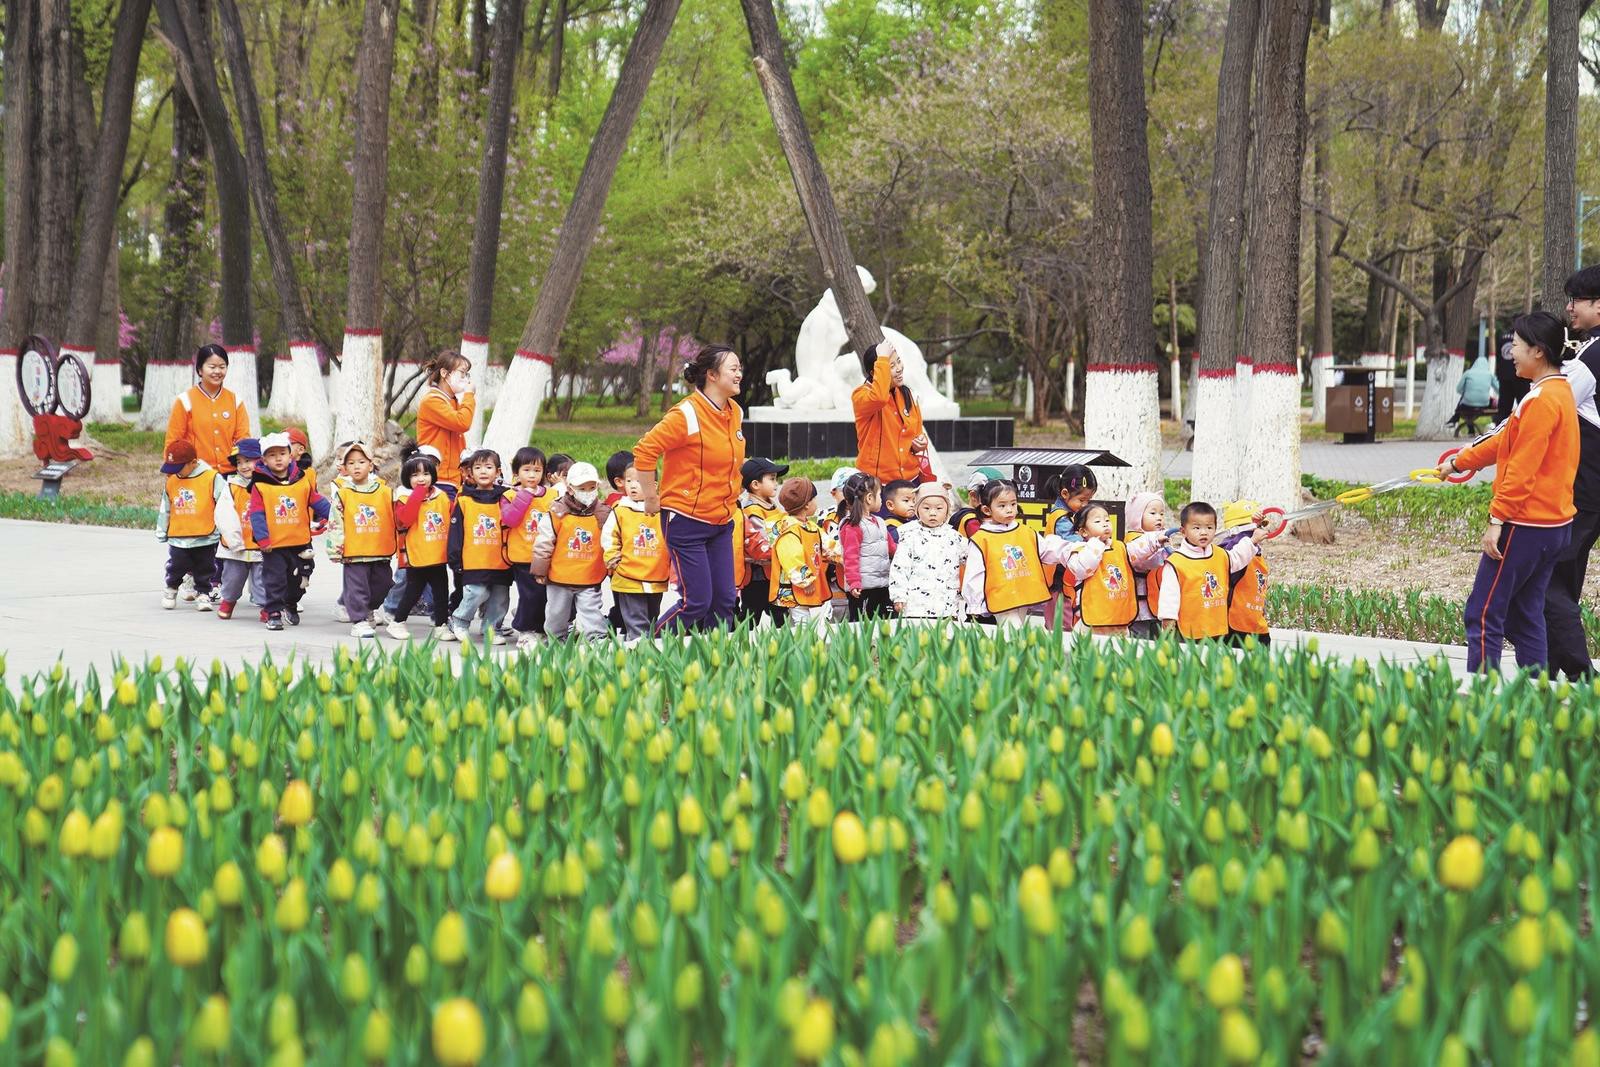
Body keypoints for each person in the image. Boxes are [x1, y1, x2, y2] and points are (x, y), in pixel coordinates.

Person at [1438, 311, 1580, 673]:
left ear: (1538, 351)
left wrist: (1497, 519)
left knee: (1483, 613)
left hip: (1524, 525)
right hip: (1554, 526)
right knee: (1524, 613)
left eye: (1516, 345)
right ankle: (1533, 697)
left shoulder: (1540, 402)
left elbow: (1521, 468)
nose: (1511, 352)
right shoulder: (1558, 393)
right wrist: (1460, 462)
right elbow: (1506, 440)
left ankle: (1483, 700)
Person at [633, 344, 747, 633]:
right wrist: (651, 497)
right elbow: (645, 451)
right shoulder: (686, 414)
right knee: (695, 602)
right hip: (687, 522)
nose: (739, 374)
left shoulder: (735, 412)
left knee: (724, 602)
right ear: (711, 374)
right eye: (733, 369)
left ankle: (712, 665)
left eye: (739, 368)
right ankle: (648, 652)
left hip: (721, 522)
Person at [1544, 267, 1600, 678]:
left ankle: (1579, 670)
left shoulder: (1590, 359)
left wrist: (1468, 456)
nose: (1569, 307)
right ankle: (1550, 663)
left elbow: (1544, 410)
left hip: (1586, 489)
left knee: (1549, 578)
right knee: (1564, 576)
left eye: (1577, 299)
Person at [448, 449, 535, 646]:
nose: (483, 471)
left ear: (498, 472)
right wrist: (455, 559)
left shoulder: (505, 497)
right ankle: (459, 621)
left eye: (488, 467)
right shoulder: (464, 500)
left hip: (500, 559)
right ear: (470, 472)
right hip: (474, 559)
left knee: (500, 597)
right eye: (478, 467)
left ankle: (491, 627)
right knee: (475, 592)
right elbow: (456, 532)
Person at [247, 432, 330, 630]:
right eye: (272, 454)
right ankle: (273, 612)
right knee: (274, 579)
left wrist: (335, 515)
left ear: (290, 455)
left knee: (301, 578)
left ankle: (290, 603)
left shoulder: (301, 480)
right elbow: (257, 515)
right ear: (264, 459)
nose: (278, 458)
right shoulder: (260, 486)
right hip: (274, 545)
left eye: (282, 453)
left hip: (300, 542)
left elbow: (316, 500)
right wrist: (263, 539)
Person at [961, 480, 1071, 626]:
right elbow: (975, 574)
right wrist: (975, 603)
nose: (1009, 509)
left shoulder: (1025, 531)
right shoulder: (981, 539)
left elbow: (1046, 549)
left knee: (1016, 629)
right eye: (1002, 505)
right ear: (987, 510)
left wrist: (1072, 551)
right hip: (1001, 597)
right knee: (1012, 629)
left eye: (1013, 504)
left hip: (1022, 593)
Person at [1157, 502, 1269, 640]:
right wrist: (1168, 625)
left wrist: (1253, 540)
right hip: (1189, 632)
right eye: (1196, 528)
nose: (1204, 532)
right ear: (1183, 531)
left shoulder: (1221, 555)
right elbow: (1169, 598)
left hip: (1218, 630)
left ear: (1215, 529)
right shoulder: (1176, 562)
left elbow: (1239, 556)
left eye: (1209, 527)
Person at [531, 461, 611, 641]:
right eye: (582, 487)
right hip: (559, 577)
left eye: (592, 487)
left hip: (589, 576)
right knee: (556, 613)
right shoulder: (557, 511)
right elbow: (544, 541)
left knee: (591, 612)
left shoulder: (603, 514)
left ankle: (597, 640)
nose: (588, 491)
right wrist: (540, 569)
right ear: (570, 488)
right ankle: (555, 640)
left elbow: (611, 541)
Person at [326, 441, 397, 639]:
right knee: (357, 588)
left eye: (361, 461)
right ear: (345, 468)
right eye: (351, 463)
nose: (356, 466)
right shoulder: (343, 494)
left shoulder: (385, 491)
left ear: (371, 464)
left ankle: (368, 609)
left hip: (380, 550)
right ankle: (358, 621)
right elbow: (335, 522)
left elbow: (394, 518)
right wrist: (335, 548)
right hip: (354, 552)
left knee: (384, 584)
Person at [157, 440, 238, 610]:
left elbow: (224, 505)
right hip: (179, 536)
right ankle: (171, 588)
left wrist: (227, 531)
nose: (174, 472)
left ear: (193, 463)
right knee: (177, 565)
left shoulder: (211, 478)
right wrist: (162, 530)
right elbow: (166, 508)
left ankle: (203, 594)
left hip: (206, 536)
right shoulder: (172, 481)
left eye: (178, 468)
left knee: (206, 567)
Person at [387, 449, 454, 641]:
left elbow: (451, 518)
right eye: (415, 475)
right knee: (412, 593)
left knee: (442, 592)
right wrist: (418, 494)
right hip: (417, 555)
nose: (421, 478)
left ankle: (440, 625)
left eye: (426, 473)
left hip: (438, 555)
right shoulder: (403, 497)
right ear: (407, 478)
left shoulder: (441, 496)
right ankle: (397, 622)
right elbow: (404, 520)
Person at [602, 462, 671, 641]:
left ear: (653, 486)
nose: (633, 485)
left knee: (652, 617)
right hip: (628, 575)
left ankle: (640, 647)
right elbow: (609, 536)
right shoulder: (620, 510)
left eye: (640, 481)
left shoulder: (662, 511)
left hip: (656, 574)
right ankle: (637, 649)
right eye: (629, 480)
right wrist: (611, 556)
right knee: (637, 622)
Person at [164, 343, 250, 474]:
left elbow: (243, 439)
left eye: (222, 367)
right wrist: (172, 476)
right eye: (212, 367)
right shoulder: (184, 401)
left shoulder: (235, 401)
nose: (217, 371)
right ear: (200, 370)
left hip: (230, 474)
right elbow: (173, 442)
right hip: (196, 473)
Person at [852, 340, 928, 485]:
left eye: (899, 361)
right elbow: (879, 397)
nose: (899, 368)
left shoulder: (907, 394)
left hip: (911, 479)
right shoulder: (861, 396)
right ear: (875, 372)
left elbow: (916, 432)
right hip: (878, 484)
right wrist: (882, 359)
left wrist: (920, 443)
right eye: (891, 366)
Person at [889, 483, 965, 620]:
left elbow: (973, 558)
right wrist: (898, 595)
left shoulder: (954, 536)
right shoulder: (909, 535)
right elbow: (899, 568)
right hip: (916, 606)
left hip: (947, 604)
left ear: (947, 510)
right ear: (917, 510)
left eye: (939, 508)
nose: (933, 513)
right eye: (926, 508)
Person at [769, 477, 834, 629]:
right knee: (801, 623)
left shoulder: (809, 526)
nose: (816, 502)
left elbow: (828, 544)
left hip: (805, 584)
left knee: (806, 621)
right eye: (814, 499)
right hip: (794, 588)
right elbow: (791, 558)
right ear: (806, 505)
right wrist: (805, 580)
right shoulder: (789, 531)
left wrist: (842, 555)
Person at [1063, 504, 1137, 637]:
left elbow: (1139, 550)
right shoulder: (1079, 550)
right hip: (1091, 623)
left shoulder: (1119, 547)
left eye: (1107, 520)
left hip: (1118, 620)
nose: (1104, 524)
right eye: (1097, 521)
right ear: (1083, 532)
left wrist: (1155, 541)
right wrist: (1096, 545)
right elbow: (1083, 569)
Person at [505, 446, 553, 644]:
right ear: (516, 473)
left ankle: (540, 627)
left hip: (545, 555)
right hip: (523, 556)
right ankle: (525, 630)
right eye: (526, 470)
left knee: (543, 594)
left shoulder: (550, 496)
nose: (532, 475)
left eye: (537, 470)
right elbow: (510, 520)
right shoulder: (509, 495)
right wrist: (525, 495)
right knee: (529, 594)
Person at [216, 438, 266, 620]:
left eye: (248, 460)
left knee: (263, 579)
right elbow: (224, 514)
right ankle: (228, 601)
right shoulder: (232, 486)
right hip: (236, 544)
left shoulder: (267, 485)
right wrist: (234, 539)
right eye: (239, 462)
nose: (244, 466)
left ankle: (267, 607)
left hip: (261, 543)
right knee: (232, 577)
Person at [736, 458, 790, 627]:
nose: (776, 483)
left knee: (781, 617)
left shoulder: (772, 506)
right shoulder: (752, 511)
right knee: (750, 619)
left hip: (773, 573)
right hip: (757, 577)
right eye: (772, 478)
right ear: (755, 484)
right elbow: (760, 544)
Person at [838, 473, 895, 620]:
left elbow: (891, 547)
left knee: (885, 623)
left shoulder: (880, 522)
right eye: (879, 495)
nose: (881, 499)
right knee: (862, 627)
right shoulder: (852, 526)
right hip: (862, 589)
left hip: (883, 584)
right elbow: (850, 557)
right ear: (869, 498)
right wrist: (854, 582)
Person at [416, 350, 476, 491]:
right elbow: (462, 422)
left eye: (467, 374)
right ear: (444, 373)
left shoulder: (452, 401)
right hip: (436, 477)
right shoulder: (432, 400)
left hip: (454, 478)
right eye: (462, 373)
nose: (466, 379)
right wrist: (469, 395)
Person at [1123, 490, 1175, 639]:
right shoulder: (1135, 540)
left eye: (1161, 514)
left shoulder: (1162, 539)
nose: (1158, 517)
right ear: (1137, 517)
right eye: (1153, 513)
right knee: (1140, 643)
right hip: (1139, 610)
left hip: (1157, 607)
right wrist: (1156, 542)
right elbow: (1141, 557)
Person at [1220, 500, 1272, 647]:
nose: (1258, 532)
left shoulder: (1255, 550)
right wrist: (1251, 540)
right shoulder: (1231, 547)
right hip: (1234, 626)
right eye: (1249, 529)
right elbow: (1233, 561)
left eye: (1260, 527)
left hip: (1256, 622)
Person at [1495, 330, 1528, 423]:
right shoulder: (1522, 335)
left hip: (1504, 376)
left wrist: (1499, 372)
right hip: (1520, 377)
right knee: (1523, 405)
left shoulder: (1503, 337)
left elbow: (1498, 355)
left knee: (1504, 407)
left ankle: (1500, 429)